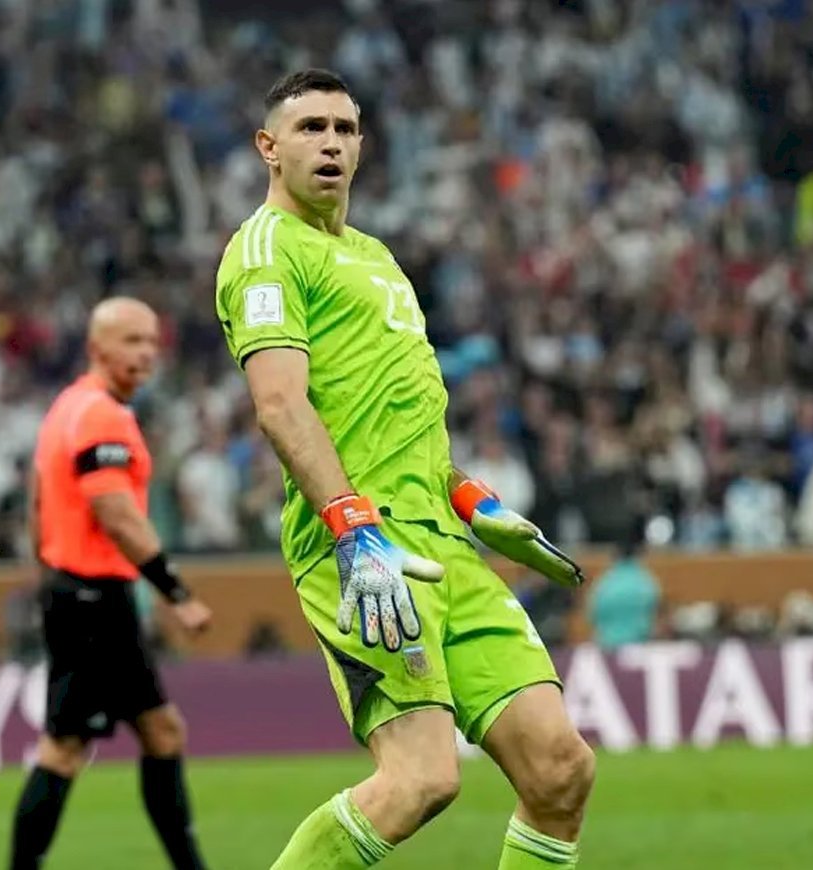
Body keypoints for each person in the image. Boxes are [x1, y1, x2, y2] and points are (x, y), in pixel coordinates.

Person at [214, 69, 594, 870]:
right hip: (363, 547)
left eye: (344, 129)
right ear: (268, 148)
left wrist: (470, 497)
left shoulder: (376, 257)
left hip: (445, 545)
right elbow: (279, 404)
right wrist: (352, 526)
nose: (330, 143)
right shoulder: (265, 251)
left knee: (560, 769)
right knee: (421, 779)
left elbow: (399, 416)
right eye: (311, 128)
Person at [10, 297, 214, 870]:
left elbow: (37, 501)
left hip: (80, 592)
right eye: (131, 341)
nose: (146, 353)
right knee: (65, 748)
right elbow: (117, 514)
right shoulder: (102, 416)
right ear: (96, 347)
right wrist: (177, 594)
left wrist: (48, 569)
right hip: (93, 596)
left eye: (151, 341)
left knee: (161, 731)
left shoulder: (67, 408)